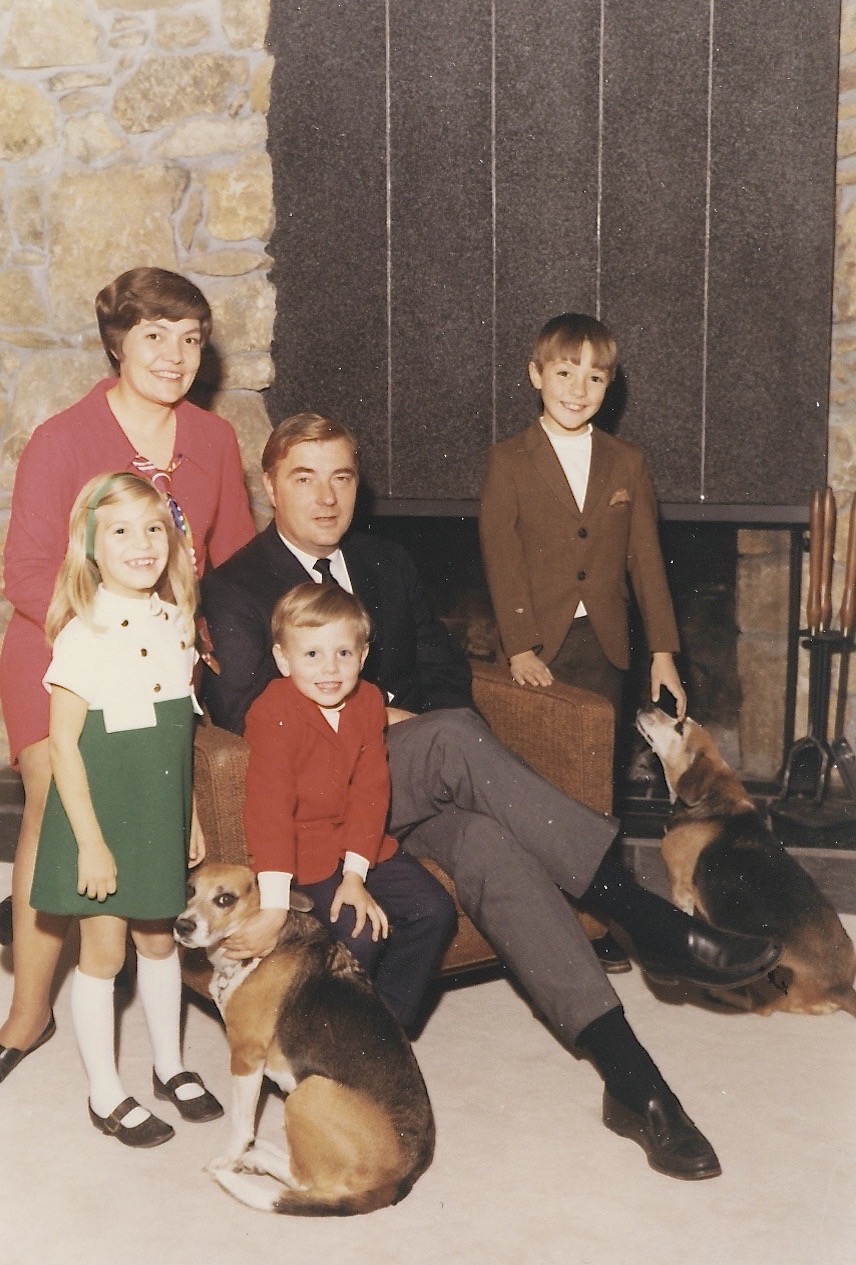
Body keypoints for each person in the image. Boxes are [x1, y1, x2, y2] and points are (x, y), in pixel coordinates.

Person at [199, 411, 781, 1182]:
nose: (327, 495)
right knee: (448, 738)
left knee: (489, 842)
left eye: (342, 475)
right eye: (304, 477)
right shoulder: (237, 585)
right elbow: (246, 708)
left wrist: (429, 728)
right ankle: (644, 919)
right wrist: (396, 718)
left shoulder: (388, 561)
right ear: (270, 484)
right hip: (324, 795)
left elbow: (448, 675)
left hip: (404, 788)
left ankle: (636, 1085)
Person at [0, 267, 255, 1096]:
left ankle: (136, 983)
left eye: (191, 338)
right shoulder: (63, 439)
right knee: (56, 797)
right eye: (155, 335)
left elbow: (230, 569)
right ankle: (27, 1014)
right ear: (118, 343)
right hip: (61, 653)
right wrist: (110, 633)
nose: (176, 354)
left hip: (162, 658)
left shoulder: (215, 441)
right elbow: (25, 575)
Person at [479, 312, 686, 974]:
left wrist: (662, 652)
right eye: (564, 372)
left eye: (594, 377)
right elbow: (500, 556)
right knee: (536, 783)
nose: (577, 388)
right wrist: (519, 647)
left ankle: (593, 921)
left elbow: (646, 563)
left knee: (595, 787)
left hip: (605, 645)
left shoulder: (628, 462)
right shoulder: (508, 460)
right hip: (536, 645)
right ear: (536, 375)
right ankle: (533, 923)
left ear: (610, 386)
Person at [28, 473, 221, 1146]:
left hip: (156, 803)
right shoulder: (86, 633)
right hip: (100, 813)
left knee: (160, 936)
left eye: (152, 529)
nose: (141, 544)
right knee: (104, 951)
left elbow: (177, 735)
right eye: (120, 530)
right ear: (90, 545)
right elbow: (63, 746)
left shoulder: (174, 623)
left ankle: (169, 1063)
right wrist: (90, 843)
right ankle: (104, 1089)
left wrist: (188, 810)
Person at [242, 582, 456, 1031]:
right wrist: (276, 904)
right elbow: (270, 811)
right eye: (312, 655)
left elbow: (370, 791)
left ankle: (385, 1031)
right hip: (303, 852)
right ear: (283, 660)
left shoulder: (369, 701)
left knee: (434, 910)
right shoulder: (272, 712)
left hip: (363, 842)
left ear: (363, 656)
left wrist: (356, 875)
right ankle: (332, 1036)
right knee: (360, 933)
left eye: (343, 653)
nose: (330, 669)